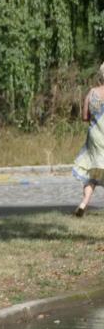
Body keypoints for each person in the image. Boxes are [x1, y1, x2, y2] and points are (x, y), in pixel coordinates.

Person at [71, 62, 104, 216]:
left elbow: (85, 117)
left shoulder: (92, 93)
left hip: (95, 137)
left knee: (93, 173)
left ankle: (83, 204)